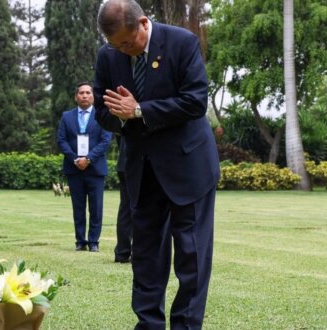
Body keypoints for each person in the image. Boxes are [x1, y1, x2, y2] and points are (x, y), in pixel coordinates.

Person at [93, 1, 220, 329]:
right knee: (147, 256)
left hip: (188, 167)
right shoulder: (108, 56)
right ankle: (148, 325)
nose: (123, 51)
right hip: (143, 170)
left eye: (127, 42)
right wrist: (121, 117)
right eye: (116, 45)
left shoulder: (181, 43)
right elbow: (103, 112)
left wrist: (139, 111)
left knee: (191, 256)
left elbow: (195, 102)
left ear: (143, 24)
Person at [57, 82, 113, 253]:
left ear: (93, 96)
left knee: (96, 208)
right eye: (81, 93)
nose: (85, 95)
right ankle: (80, 241)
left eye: (88, 92)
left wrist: (88, 159)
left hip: (95, 169)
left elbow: (105, 141)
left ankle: (94, 241)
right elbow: (61, 140)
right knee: (78, 207)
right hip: (74, 169)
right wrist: (75, 159)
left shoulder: (102, 115)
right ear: (76, 96)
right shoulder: (67, 116)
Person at [114, 135, 132, 263]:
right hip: (138, 162)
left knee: (125, 209)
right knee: (142, 208)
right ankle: (139, 251)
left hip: (124, 162)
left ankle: (122, 251)